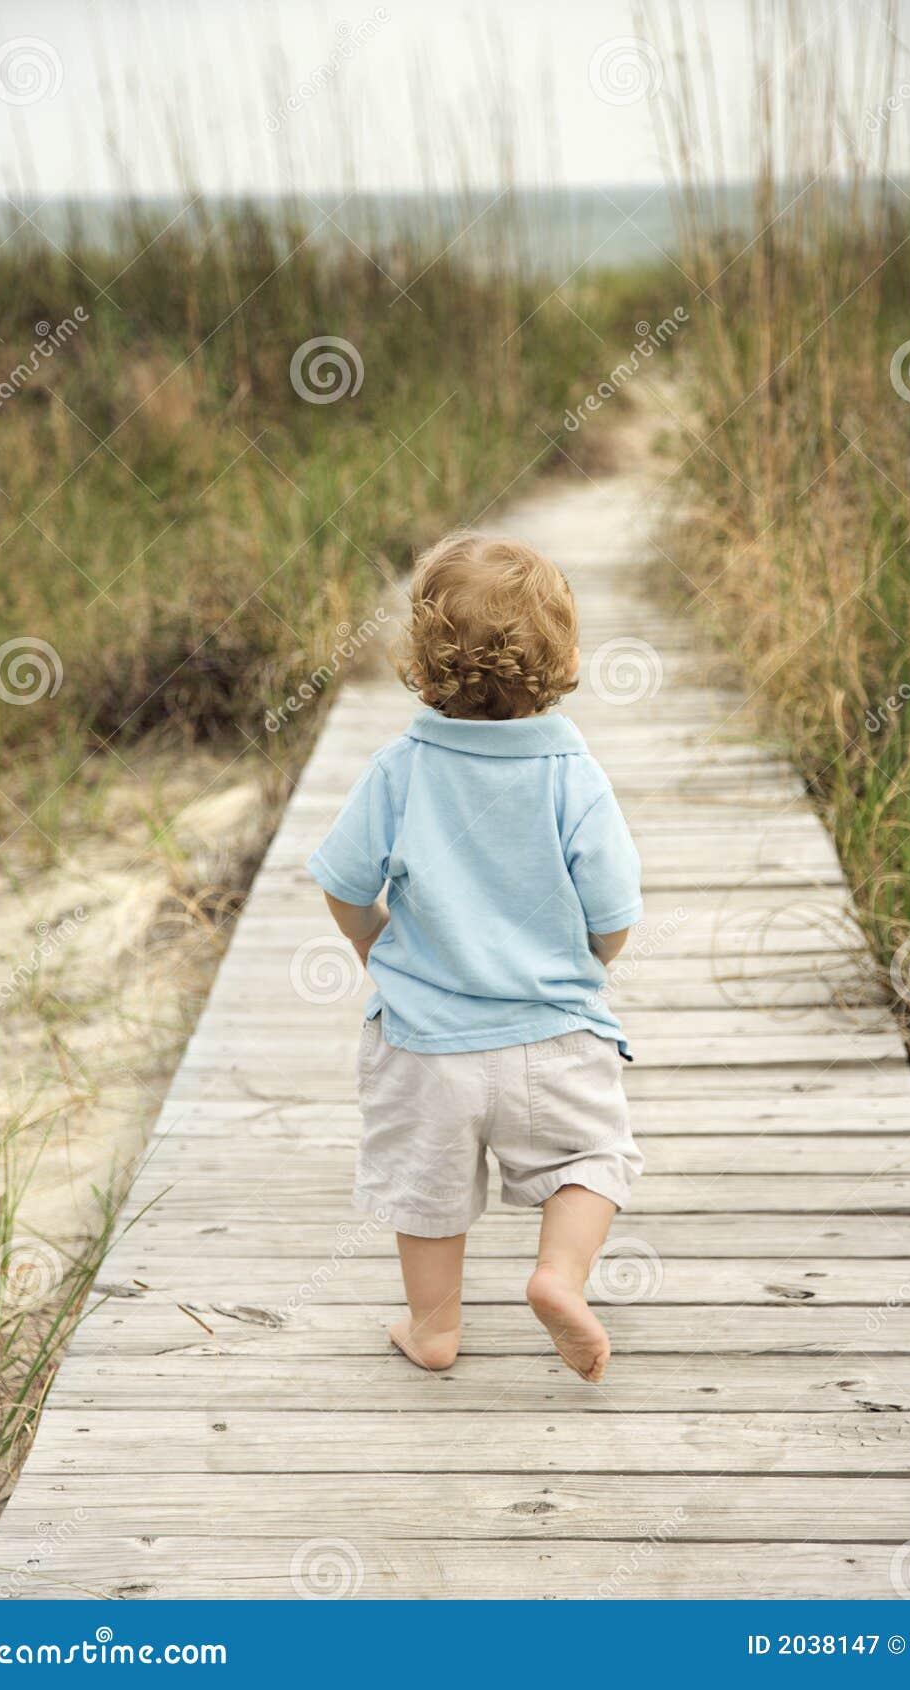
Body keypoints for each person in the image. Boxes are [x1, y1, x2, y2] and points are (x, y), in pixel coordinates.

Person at [307, 532, 643, 1383]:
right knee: (592, 1160)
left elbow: (344, 880)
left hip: (426, 1042)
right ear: (566, 656)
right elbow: (611, 909)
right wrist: (593, 958)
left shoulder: (402, 768)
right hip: (555, 1035)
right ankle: (557, 1276)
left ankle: (434, 1329)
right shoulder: (574, 772)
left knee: (426, 1194)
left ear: (419, 662)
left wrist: (369, 941)